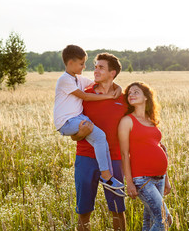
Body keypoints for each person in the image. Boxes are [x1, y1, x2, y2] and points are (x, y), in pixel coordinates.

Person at [53, 45, 124, 193]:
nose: (85, 67)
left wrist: (118, 87)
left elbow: (99, 82)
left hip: (77, 118)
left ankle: (107, 176)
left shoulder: (78, 79)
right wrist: (108, 96)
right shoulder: (65, 80)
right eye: (81, 63)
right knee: (100, 136)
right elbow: (85, 96)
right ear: (70, 63)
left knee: (99, 140)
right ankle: (106, 176)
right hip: (66, 122)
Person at [71, 53, 128, 230]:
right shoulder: (84, 95)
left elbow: (135, 126)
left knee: (118, 210)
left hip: (115, 160)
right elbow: (74, 135)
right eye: (95, 66)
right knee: (84, 211)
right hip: (86, 158)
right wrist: (80, 133)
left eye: (101, 67)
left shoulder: (124, 98)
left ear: (113, 73)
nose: (95, 70)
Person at [118, 82, 172, 230]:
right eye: (129, 93)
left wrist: (166, 179)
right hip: (142, 178)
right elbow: (124, 154)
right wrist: (129, 182)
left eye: (136, 92)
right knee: (164, 219)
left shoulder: (151, 120)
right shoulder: (127, 121)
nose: (131, 95)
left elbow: (160, 148)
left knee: (148, 221)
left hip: (159, 177)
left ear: (146, 97)